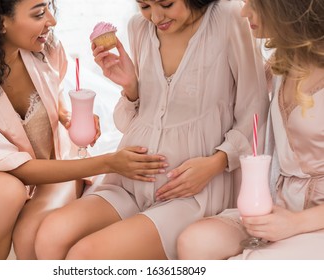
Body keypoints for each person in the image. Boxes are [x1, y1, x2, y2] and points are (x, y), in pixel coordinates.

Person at [34, 0, 269, 260]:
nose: (156, 17)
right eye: (144, 6)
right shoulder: (139, 27)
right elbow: (133, 122)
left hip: (191, 192)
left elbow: (255, 109)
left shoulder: (228, 18)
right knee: (50, 236)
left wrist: (217, 162)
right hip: (130, 181)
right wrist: (130, 87)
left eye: (166, 4)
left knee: (85, 256)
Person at [0, 0, 168, 260]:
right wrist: (109, 163)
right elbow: (16, 168)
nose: (52, 21)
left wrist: (69, 117)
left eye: (48, 8)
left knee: (30, 233)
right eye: (38, 14)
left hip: (54, 160)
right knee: (6, 193)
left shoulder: (45, 49)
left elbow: (54, 101)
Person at [177, 0, 324, 260]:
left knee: (257, 264)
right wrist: (132, 87)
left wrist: (296, 223)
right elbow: (223, 96)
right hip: (278, 203)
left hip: (314, 217)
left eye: (253, 4)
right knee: (194, 242)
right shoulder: (284, 60)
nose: (243, 12)